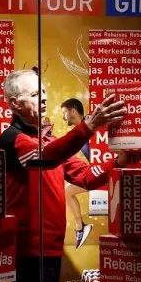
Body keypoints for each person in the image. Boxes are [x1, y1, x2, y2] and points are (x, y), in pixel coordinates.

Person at [0, 69, 141, 282]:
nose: (44, 97)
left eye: (44, 91)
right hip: (28, 249)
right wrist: (89, 125)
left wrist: (119, 162)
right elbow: (46, 157)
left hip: (48, 246)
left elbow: (88, 176)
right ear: (15, 103)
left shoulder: (50, 141)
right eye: (34, 94)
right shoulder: (13, 140)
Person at [60, 98, 95, 249]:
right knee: (67, 191)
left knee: (67, 191)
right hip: (97, 171)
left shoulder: (90, 123)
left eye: (64, 113)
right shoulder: (78, 132)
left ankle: (81, 228)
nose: (63, 117)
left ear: (72, 111)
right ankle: (81, 227)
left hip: (106, 172)